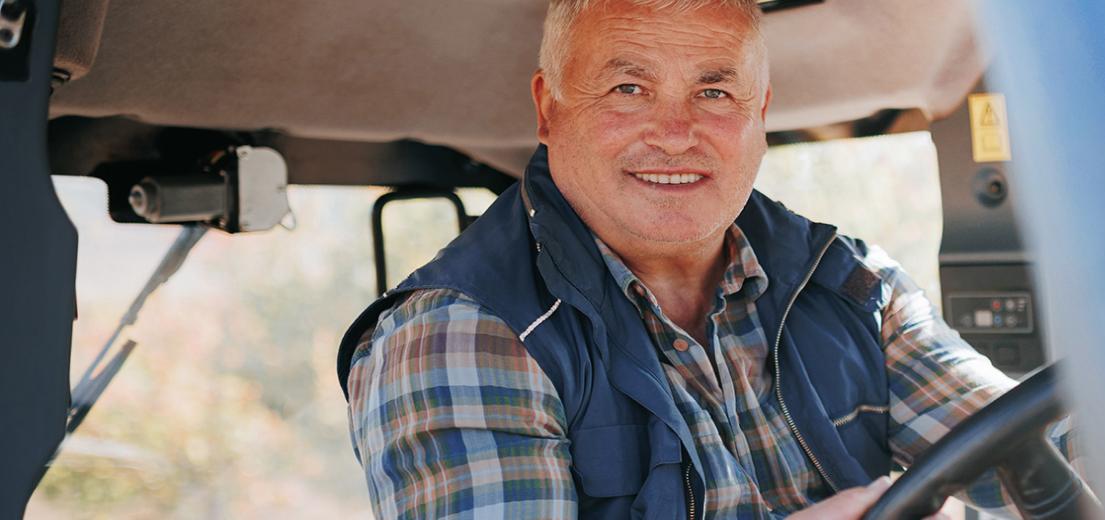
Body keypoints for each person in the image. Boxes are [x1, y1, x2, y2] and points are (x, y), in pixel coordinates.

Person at [334, 0, 1044, 517]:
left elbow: (1046, 453)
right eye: (629, 88)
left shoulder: (852, 286)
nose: (675, 134)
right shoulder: (462, 334)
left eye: (712, 90)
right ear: (549, 111)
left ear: (760, 114)